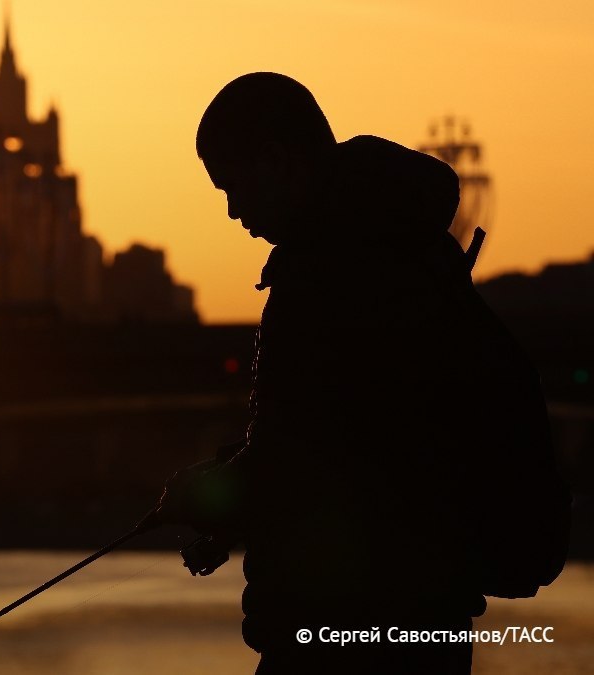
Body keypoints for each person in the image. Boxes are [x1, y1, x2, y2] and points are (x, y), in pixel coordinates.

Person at [156, 72, 499, 674]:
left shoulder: (329, 275)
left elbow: (312, 462)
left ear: (276, 160)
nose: (233, 210)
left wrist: (207, 495)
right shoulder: (404, 249)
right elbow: (347, 432)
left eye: (231, 186)